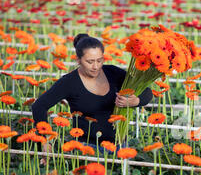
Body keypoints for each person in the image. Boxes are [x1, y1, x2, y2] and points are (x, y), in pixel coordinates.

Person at [32, 33, 153, 161]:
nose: (96, 66)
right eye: (90, 62)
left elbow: (146, 92)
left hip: (120, 147)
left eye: (99, 60)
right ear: (78, 60)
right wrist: (44, 141)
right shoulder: (69, 82)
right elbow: (39, 106)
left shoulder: (113, 73)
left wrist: (135, 101)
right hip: (86, 149)